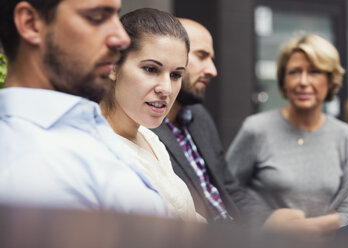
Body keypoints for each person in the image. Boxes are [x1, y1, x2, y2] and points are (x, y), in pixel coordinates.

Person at [0, 0, 168, 216]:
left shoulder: (80, 125)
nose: (121, 38)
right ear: (31, 23)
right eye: (97, 17)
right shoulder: (34, 168)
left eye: (116, 16)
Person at [227, 34, 348, 237]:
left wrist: (308, 229)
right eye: (294, 72)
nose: (303, 82)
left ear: (330, 79)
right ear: (284, 80)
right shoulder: (256, 129)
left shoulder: (346, 136)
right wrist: (266, 222)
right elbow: (227, 191)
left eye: (314, 72)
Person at [100, 8, 202, 221]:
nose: (166, 88)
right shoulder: (97, 152)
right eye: (150, 69)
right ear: (113, 66)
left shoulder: (149, 137)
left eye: (175, 75)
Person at [152, 18, 251, 223]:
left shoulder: (198, 115)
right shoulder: (143, 127)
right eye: (202, 56)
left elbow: (229, 188)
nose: (212, 70)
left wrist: (269, 223)